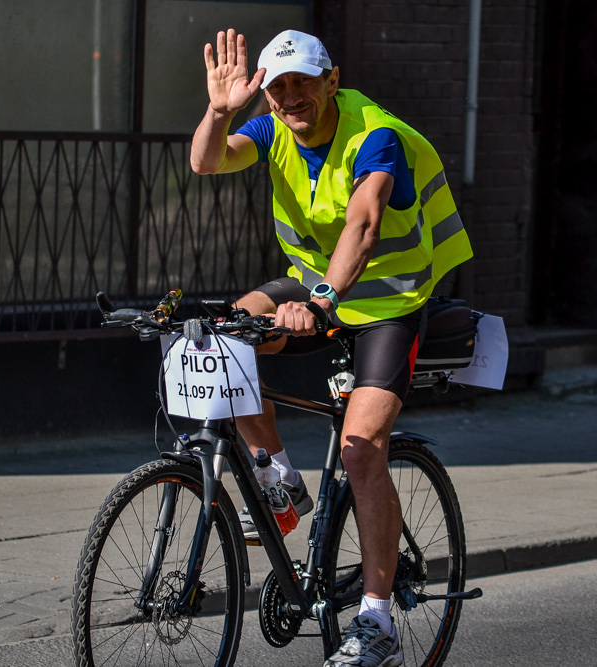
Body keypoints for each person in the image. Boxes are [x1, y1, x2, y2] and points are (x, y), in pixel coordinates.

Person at [190, 28, 472, 667]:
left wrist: (320, 301)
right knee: (225, 339)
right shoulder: (269, 130)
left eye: (303, 83)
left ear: (331, 81)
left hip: (389, 304)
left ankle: (375, 622)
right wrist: (218, 110)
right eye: (278, 86)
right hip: (318, 284)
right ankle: (277, 474)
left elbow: (364, 221)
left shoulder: (375, 135)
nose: (291, 97)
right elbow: (206, 162)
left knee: (361, 448)